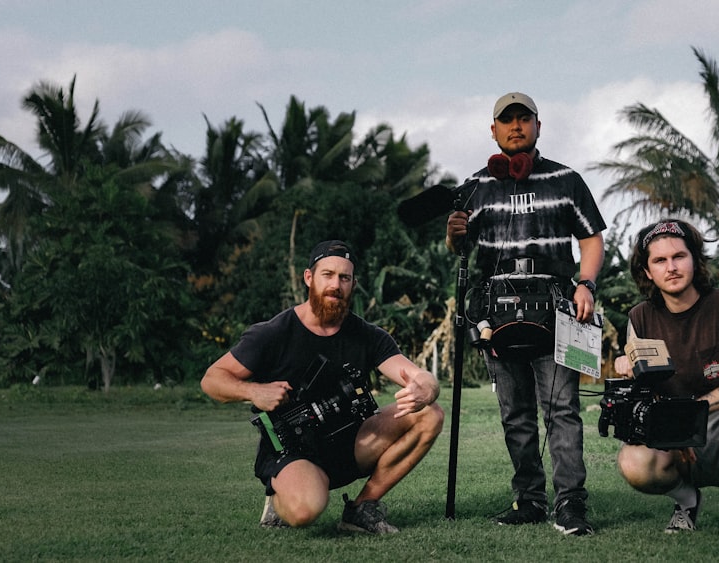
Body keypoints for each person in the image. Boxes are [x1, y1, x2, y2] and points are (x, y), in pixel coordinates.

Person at [445, 92, 607, 536]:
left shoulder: (567, 179)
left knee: (561, 409)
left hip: (557, 309)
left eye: (524, 118)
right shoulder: (475, 186)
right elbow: (460, 248)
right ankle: (530, 499)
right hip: (495, 314)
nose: (516, 126)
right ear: (493, 130)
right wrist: (453, 234)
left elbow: (592, 238)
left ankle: (571, 503)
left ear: (539, 125)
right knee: (514, 412)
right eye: (506, 120)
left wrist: (586, 284)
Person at [201, 240, 444, 534]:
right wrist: (253, 392)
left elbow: (420, 376)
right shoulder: (274, 333)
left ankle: (360, 509)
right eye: (327, 275)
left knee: (430, 414)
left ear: (353, 283)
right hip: (294, 448)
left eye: (344, 277)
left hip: (351, 441)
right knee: (305, 511)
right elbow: (212, 379)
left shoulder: (367, 335)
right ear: (308, 278)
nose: (335, 285)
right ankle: (282, 494)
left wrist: (425, 389)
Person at [612, 219, 719, 549]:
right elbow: (645, 388)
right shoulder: (640, 318)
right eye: (660, 261)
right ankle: (688, 500)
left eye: (679, 256)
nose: (672, 267)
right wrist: (628, 368)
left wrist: (697, 411)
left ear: (695, 259)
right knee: (632, 462)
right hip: (674, 437)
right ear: (647, 272)